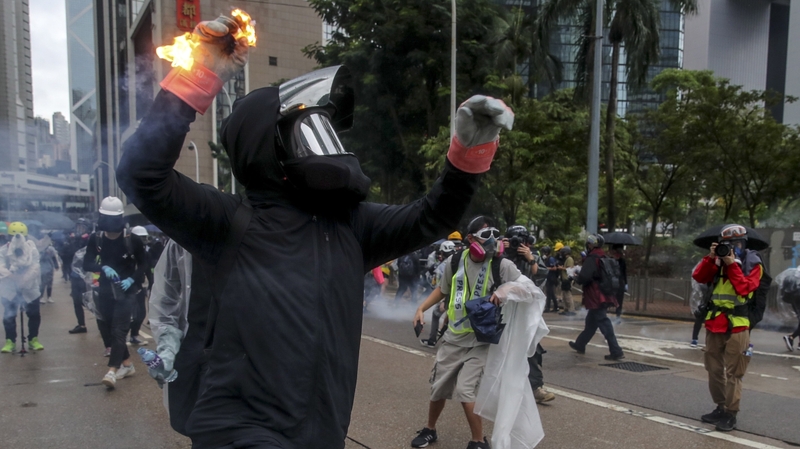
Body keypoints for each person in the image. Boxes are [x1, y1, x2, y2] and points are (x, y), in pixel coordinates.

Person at [116, 15, 514, 448]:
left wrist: (468, 154)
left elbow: (433, 217)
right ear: (265, 147)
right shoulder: (229, 220)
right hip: (237, 432)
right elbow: (143, 175)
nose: (322, 142)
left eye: (324, 129)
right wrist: (200, 69)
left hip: (321, 432)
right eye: (305, 130)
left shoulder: (354, 225)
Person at [410, 217, 522, 449]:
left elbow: (526, 287)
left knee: (465, 389)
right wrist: (422, 308)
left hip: (481, 340)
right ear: (470, 239)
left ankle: (478, 441)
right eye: (485, 234)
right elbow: (443, 290)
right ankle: (430, 429)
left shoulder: (501, 265)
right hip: (453, 337)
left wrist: (506, 290)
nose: (492, 239)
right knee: (439, 387)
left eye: (495, 233)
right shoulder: (455, 261)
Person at [692, 224, 762, 432]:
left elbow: (744, 288)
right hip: (715, 323)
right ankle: (720, 407)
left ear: (744, 244)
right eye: (727, 245)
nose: (732, 248)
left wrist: (732, 264)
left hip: (738, 325)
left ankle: (731, 413)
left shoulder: (753, 264)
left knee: (734, 372)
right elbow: (699, 277)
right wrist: (711, 258)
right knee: (713, 370)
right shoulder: (717, 262)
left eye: (737, 244)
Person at [148, 239, 215, 436]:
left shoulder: (249, 232)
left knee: (216, 428)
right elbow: (165, 298)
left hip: (232, 348)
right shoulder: (181, 241)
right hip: (191, 343)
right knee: (186, 420)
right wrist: (167, 346)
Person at [83, 197, 148, 389]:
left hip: (126, 292)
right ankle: (127, 365)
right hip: (104, 291)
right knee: (108, 330)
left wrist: (132, 279)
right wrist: (102, 267)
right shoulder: (97, 238)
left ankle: (112, 371)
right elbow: (86, 263)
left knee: (119, 331)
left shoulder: (131, 239)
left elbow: (144, 263)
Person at [569, 234, 625, 360]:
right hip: (604, 292)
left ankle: (616, 350)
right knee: (591, 322)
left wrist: (575, 276)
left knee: (602, 321)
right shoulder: (603, 256)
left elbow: (585, 277)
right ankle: (580, 344)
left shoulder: (592, 258)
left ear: (590, 244)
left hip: (595, 294)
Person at [0, 222, 43, 353]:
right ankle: (10, 340)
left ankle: (33, 339)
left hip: (30, 288)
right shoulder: (3, 250)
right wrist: (12, 276)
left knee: (34, 314)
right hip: (9, 288)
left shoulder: (32, 250)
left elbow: (35, 267)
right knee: (9, 315)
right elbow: (0, 266)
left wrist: (23, 279)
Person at [420, 240, 456, 347]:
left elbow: (442, 286)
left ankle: (433, 339)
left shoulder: (444, 265)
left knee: (437, 314)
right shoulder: (459, 261)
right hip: (459, 296)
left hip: (448, 296)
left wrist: (443, 300)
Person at [129, 225, 153, 346]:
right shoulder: (128, 253)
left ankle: (134, 335)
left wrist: (151, 284)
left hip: (139, 286)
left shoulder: (146, 254)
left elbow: (148, 269)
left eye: (144, 238)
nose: (142, 242)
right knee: (127, 314)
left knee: (141, 313)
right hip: (127, 287)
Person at [68, 235, 90, 334]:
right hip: (76, 276)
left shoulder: (90, 241)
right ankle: (81, 325)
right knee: (77, 302)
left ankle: (104, 322)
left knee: (90, 301)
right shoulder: (74, 242)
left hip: (85, 277)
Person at [36, 234, 59, 304]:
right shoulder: (39, 248)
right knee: (43, 283)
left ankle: (49, 297)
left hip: (50, 268)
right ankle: (41, 297)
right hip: (42, 269)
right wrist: (43, 253)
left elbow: (54, 257)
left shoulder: (51, 249)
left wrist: (56, 265)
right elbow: (38, 259)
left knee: (50, 283)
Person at [610, 244, 628, 322]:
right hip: (612, 282)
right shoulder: (610, 260)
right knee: (610, 299)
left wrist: (626, 283)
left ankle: (618, 315)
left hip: (620, 283)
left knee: (619, 300)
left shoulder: (622, 261)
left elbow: (624, 273)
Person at [557, 245, 576, 316]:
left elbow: (569, 268)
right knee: (564, 295)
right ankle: (566, 309)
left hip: (568, 279)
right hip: (564, 279)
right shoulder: (567, 259)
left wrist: (561, 268)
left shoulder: (570, 259)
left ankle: (571, 309)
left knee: (568, 295)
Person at [543, 244, 560, 312]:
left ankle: (548, 308)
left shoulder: (551, 259)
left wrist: (546, 268)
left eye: (544, 252)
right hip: (548, 278)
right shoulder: (547, 259)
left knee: (549, 293)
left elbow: (554, 268)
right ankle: (556, 307)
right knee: (551, 293)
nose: (543, 254)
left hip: (551, 278)